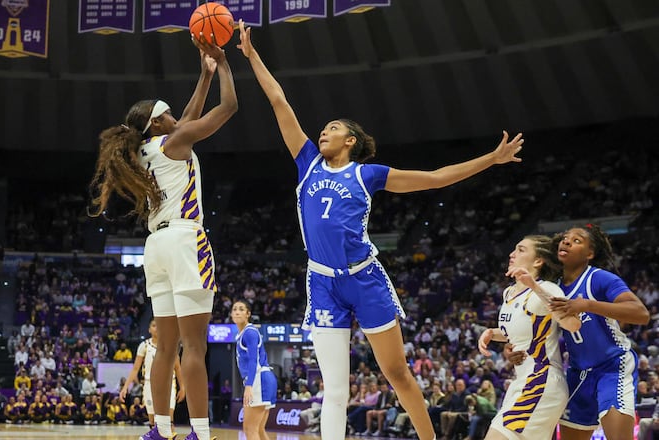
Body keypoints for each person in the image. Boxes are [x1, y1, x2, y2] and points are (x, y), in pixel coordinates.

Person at [236, 20, 524, 440]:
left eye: (334, 127)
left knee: (397, 373)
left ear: (351, 140)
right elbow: (279, 100)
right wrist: (251, 55)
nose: (324, 131)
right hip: (322, 282)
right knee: (334, 388)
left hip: (364, 278)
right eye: (325, 128)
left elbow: (436, 177)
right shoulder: (307, 162)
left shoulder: (368, 174)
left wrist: (489, 160)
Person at [88, 32, 237, 440]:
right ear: (157, 121)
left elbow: (185, 118)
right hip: (186, 241)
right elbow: (229, 108)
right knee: (194, 347)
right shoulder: (175, 140)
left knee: (165, 348)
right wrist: (222, 64)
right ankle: (202, 434)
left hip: (155, 246)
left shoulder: (144, 150)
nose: (177, 117)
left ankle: (160, 431)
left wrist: (203, 75)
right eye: (168, 113)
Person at [547, 224, 650, 440]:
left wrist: (587, 305)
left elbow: (641, 313)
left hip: (613, 366)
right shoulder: (553, 289)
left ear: (590, 254)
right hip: (578, 373)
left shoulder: (599, 278)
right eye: (565, 238)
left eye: (577, 240)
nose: (566, 241)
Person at [477, 235, 581, 440]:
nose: (512, 254)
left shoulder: (547, 289)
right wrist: (492, 333)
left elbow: (573, 323)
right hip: (522, 381)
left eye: (521, 250)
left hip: (541, 381)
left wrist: (535, 286)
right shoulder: (509, 292)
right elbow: (525, 332)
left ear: (538, 261)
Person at [120, 319, 186, 428]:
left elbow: (178, 368)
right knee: (152, 421)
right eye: (154, 326)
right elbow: (135, 368)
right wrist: (125, 387)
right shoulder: (144, 346)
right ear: (149, 329)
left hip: (168, 384)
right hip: (149, 384)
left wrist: (182, 387)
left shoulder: (170, 345)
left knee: (169, 420)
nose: (157, 328)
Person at [231, 300, 277, 440]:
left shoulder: (249, 332)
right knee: (259, 430)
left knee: (250, 430)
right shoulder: (242, 334)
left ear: (248, 314)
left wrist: (249, 385)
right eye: (234, 309)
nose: (237, 312)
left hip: (259, 379)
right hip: (264, 379)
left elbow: (253, 360)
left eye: (241, 309)